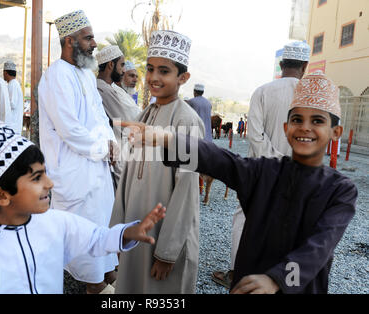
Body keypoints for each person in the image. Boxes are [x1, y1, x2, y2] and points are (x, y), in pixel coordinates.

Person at [119, 71, 357, 294]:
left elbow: (320, 246)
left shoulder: (341, 190)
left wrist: (277, 279)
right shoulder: (264, 171)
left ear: (336, 132)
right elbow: (220, 159)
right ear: (286, 128)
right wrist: (167, 138)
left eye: (317, 121)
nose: (305, 127)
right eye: (297, 119)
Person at [0, 121, 166, 294]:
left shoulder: (55, 222)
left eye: (45, 173)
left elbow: (96, 238)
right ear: (1, 195)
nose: (50, 183)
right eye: (36, 178)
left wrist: (129, 232)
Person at [109, 30, 205, 294]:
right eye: (150, 69)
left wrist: (167, 252)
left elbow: (186, 191)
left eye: (164, 71)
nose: (153, 77)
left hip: (164, 235)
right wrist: (119, 233)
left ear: (182, 78)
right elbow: (127, 176)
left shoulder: (186, 120)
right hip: (135, 226)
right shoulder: (146, 114)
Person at [212, 41, 312, 288]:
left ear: (281, 65)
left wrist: (276, 162)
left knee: (244, 218)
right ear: (305, 67)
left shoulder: (263, 91)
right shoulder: (311, 95)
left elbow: (255, 136)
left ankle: (237, 274)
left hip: (261, 172)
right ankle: (283, 280)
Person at [38, 10, 119, 294]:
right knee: (83, 232)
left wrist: (112, 142)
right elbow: (69, 128)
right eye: (89, 38)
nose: (94, 43)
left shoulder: (85, 74)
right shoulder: (55, 76)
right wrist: (102, 148)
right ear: (70, 41)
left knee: (102, 224)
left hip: (97, 168)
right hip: (73, 171)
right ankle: (94, 285)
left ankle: (105, 276)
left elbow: (99, 115)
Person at [96, 45, 142, 187]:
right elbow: (126, 120)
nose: (123, 70)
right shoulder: (102, 88)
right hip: (117, 152)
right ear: (111, 65)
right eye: (122, 65)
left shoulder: (108, 88)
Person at [3, 61, 24, 135]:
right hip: (13, 125)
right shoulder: (13, 84)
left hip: (12, 126)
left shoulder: (13, 84)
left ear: (5, 73)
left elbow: (12, 104)